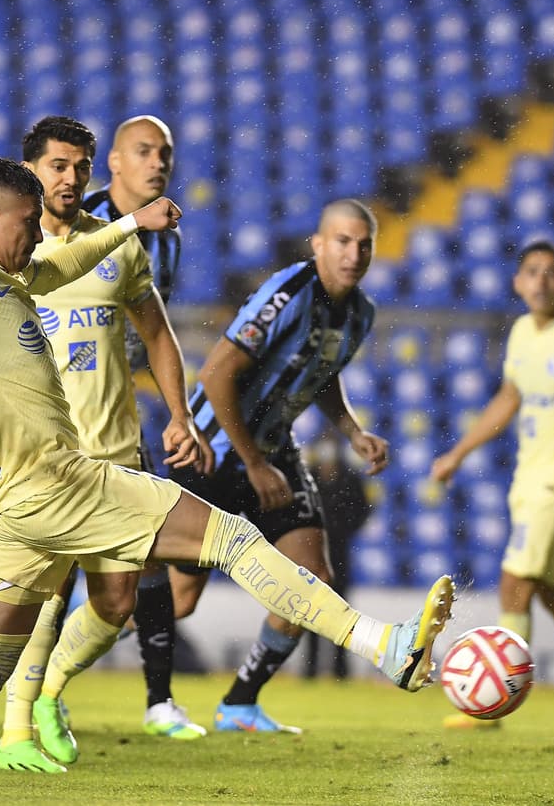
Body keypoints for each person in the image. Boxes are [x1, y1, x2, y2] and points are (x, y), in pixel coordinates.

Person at [0, 157, 453, 781]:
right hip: (56, 482)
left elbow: (66, 261)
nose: (41, 232)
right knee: (229, 535)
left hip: (11, 503)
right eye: (30, 219)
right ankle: (383, 645)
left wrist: (132, 226)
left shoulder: (5, 277)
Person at [0, 116, 210, 774]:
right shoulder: (4, 249)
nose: (71, 178)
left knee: (116, 601)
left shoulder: (119, 244)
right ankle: (16, 727)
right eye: (59, 166)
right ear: (30, 170)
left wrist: (180, 415)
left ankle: (50, 692)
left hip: (115, 449)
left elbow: (160, 333)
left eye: (78, 167)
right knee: (44, 595)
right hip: (44, 457)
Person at [166, 198, 391, 734]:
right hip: (214, 449)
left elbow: (322, 371)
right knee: (177, 602)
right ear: (318, 245)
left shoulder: (361, 314)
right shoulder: (288, 293)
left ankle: (239, 703)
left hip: (272, 450)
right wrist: (252, 463)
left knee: (314, 579)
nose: (353, 253)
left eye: (364, 244)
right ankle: (74, 634)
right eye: (342, 241)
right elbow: (217, 374)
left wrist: (353, 431)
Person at [81, 114, 210, 744]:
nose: (157, 162)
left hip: (116, 416)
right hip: (63, 415)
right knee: (66, 573)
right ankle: (30, 695)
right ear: (114, 164)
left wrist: (177, 414)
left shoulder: (170, 239)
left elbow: (152, 336)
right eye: (143, 151)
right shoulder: (81, 226)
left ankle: (159, 700)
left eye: (165, 151)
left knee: (149, 553)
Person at [430, 239, 554, 728]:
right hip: (530, 477)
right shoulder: (521, 335)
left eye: (552, 272)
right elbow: (508, 399)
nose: (542, 281)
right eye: (532, 272)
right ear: (517, 282)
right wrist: (458, 453)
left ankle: (493, 707)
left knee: (515, 582)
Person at [301, 434, 372, 680]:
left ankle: (340, 669)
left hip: (339, 551)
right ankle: (310, 667)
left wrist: (341, 529)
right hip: (313, 550)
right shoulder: (307, 475)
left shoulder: (350, 479)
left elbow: (362, 511)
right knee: (312, 608)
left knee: (341, 609)